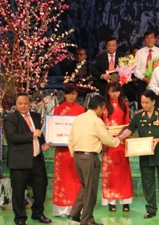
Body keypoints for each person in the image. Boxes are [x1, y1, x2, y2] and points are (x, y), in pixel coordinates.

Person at [118, 90, 159, 218]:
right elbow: (130, 129)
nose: (144, 105)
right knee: (148, 183)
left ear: (153, 102)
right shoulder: (138, 115)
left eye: (146, 103)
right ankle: (151, 209)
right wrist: (121, 137)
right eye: (142, 102)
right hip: (145, 154)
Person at [68, 95, 121, 225]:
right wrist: (118, 140)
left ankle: (74, 214)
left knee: (85, 186)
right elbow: (107, 140)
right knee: (90, 190)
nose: (103, 111)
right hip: (89, 157)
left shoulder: (78, 118)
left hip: (77, 156)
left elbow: (70, 138)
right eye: (103, 108)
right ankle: (87, 219)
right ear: (99, 107)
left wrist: (74, 153)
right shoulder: (97, 121)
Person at [4, 92, 52, 225]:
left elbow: (39, 134)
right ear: (15, 104)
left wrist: (43, 143)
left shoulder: (36, 116)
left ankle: (38, 213)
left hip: (36, 159)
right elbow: (13, 137)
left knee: (41, 187)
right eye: (20, 103)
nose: (23, 106)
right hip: (19, 161)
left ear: (30, 103)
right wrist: (32, 135)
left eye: (25, 103)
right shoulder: (10, 119)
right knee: (18, 191)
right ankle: (20, 218)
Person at [51, 83, 85, 218]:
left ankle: (76, 208)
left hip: (76, 149)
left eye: (73, 93)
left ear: (77, 94)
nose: (71, 96)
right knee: (62, 179)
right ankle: (61, 209)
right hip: (61, 151)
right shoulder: (58, 109)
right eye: (68, 93)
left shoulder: (81, 110)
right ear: (64, 94)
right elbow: (54, 128)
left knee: (76, 178)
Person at [101, 81, 133, 212]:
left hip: (121, 142)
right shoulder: (103, 106)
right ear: (107, 92)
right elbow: (100, 123)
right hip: (107, 142)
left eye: (117, 91)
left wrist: (122, 136)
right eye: (112, 91)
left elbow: (127, 124)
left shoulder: (124, 104)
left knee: (123, 171)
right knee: (110, 172)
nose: (115, 94)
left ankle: (125, 201)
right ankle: (111, 201)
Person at [133, 29, 159, 95]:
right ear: (144, 40)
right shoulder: (139, 53)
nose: (149, 40)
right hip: (142, 82)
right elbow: (135, 69)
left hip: (157, 83)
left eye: (151, 37)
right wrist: (144, 78)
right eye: (147, 38)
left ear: (155, 39)